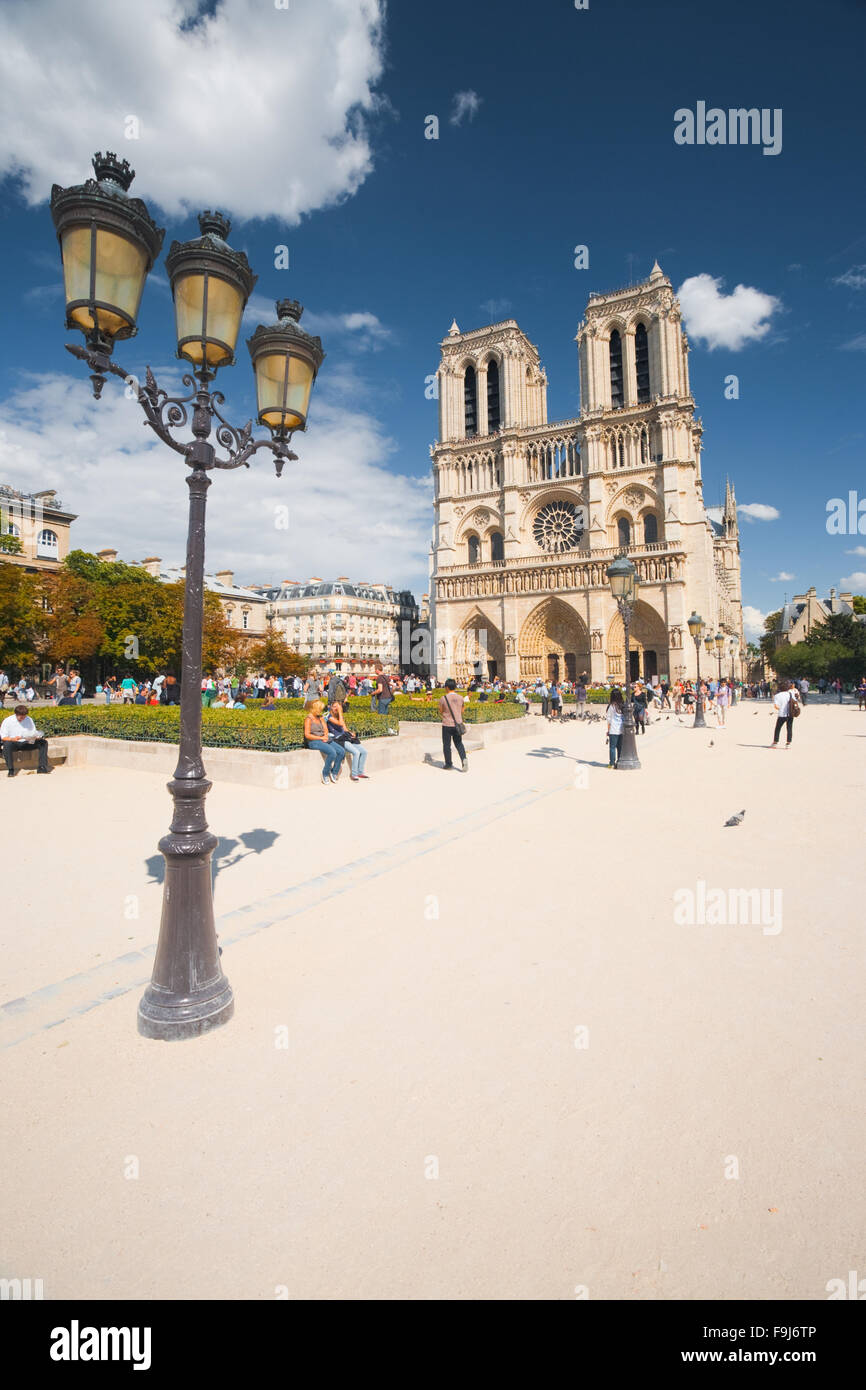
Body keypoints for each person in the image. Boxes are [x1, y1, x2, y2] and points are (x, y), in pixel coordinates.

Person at [304, 699, 346, 784]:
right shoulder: (308, 719)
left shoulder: (321, 717)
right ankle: (325, 773)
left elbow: (325, 729)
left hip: (324, 739)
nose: (321, 710)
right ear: (315, 708)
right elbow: (307, 735)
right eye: (320, 709)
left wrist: (325, 736)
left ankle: (334, 772)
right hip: (313, 741)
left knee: (341, 751)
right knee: (332, 752)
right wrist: (321, 738)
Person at [1, 704, 51, 776]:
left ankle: (42, 767)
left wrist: (36, 736)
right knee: (7, 744)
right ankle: (11, 770)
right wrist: (13, 739)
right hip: (13, 743)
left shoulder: (29, 719)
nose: (23, 718)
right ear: (16, 714)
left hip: (26, 742)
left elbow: (32, 732)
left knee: (43, 742)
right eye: (21, 717)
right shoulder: (8, 721)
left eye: (24, 716)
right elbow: (3, 737)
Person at [327, 699, 369, 781]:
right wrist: (340, 712)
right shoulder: (329, 717)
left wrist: (350, 733)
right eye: (334, 707)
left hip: (345, 737)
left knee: (364, 752)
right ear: (330, 707)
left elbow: (344, 728)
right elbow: (340, 724)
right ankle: (354, 774)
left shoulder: (339, 716)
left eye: (338, 707)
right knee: (356, 752)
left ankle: (360, 772)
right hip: (339, 739)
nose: (336, 708)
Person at [439, 677, 468, 772]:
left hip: (447, 724)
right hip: (458, 724)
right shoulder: (460, 698)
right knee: (459, 743)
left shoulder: (443, 698)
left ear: (447, 687)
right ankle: (464, 759)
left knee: (447, 745)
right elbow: (462, 710)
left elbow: (441, 711)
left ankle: (448, 764)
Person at [771, 679, 797, 748]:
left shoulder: (777, 696)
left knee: (778, 728)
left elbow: (776, 707)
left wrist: (781, 708)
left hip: (782, 714)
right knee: (789, 728)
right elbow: (795, 701)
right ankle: (788, 743)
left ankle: (775, 742)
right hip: (790, 713)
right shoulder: (790, 694)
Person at [605, 688, 624, 767]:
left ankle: (612, 763)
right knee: (620, 747)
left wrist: (608, 730)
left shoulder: (611, 706)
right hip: (622, 729)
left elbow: (609, 720)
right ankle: (619, 761)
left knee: (612, 747)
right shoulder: (622, 706)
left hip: (613, 729)